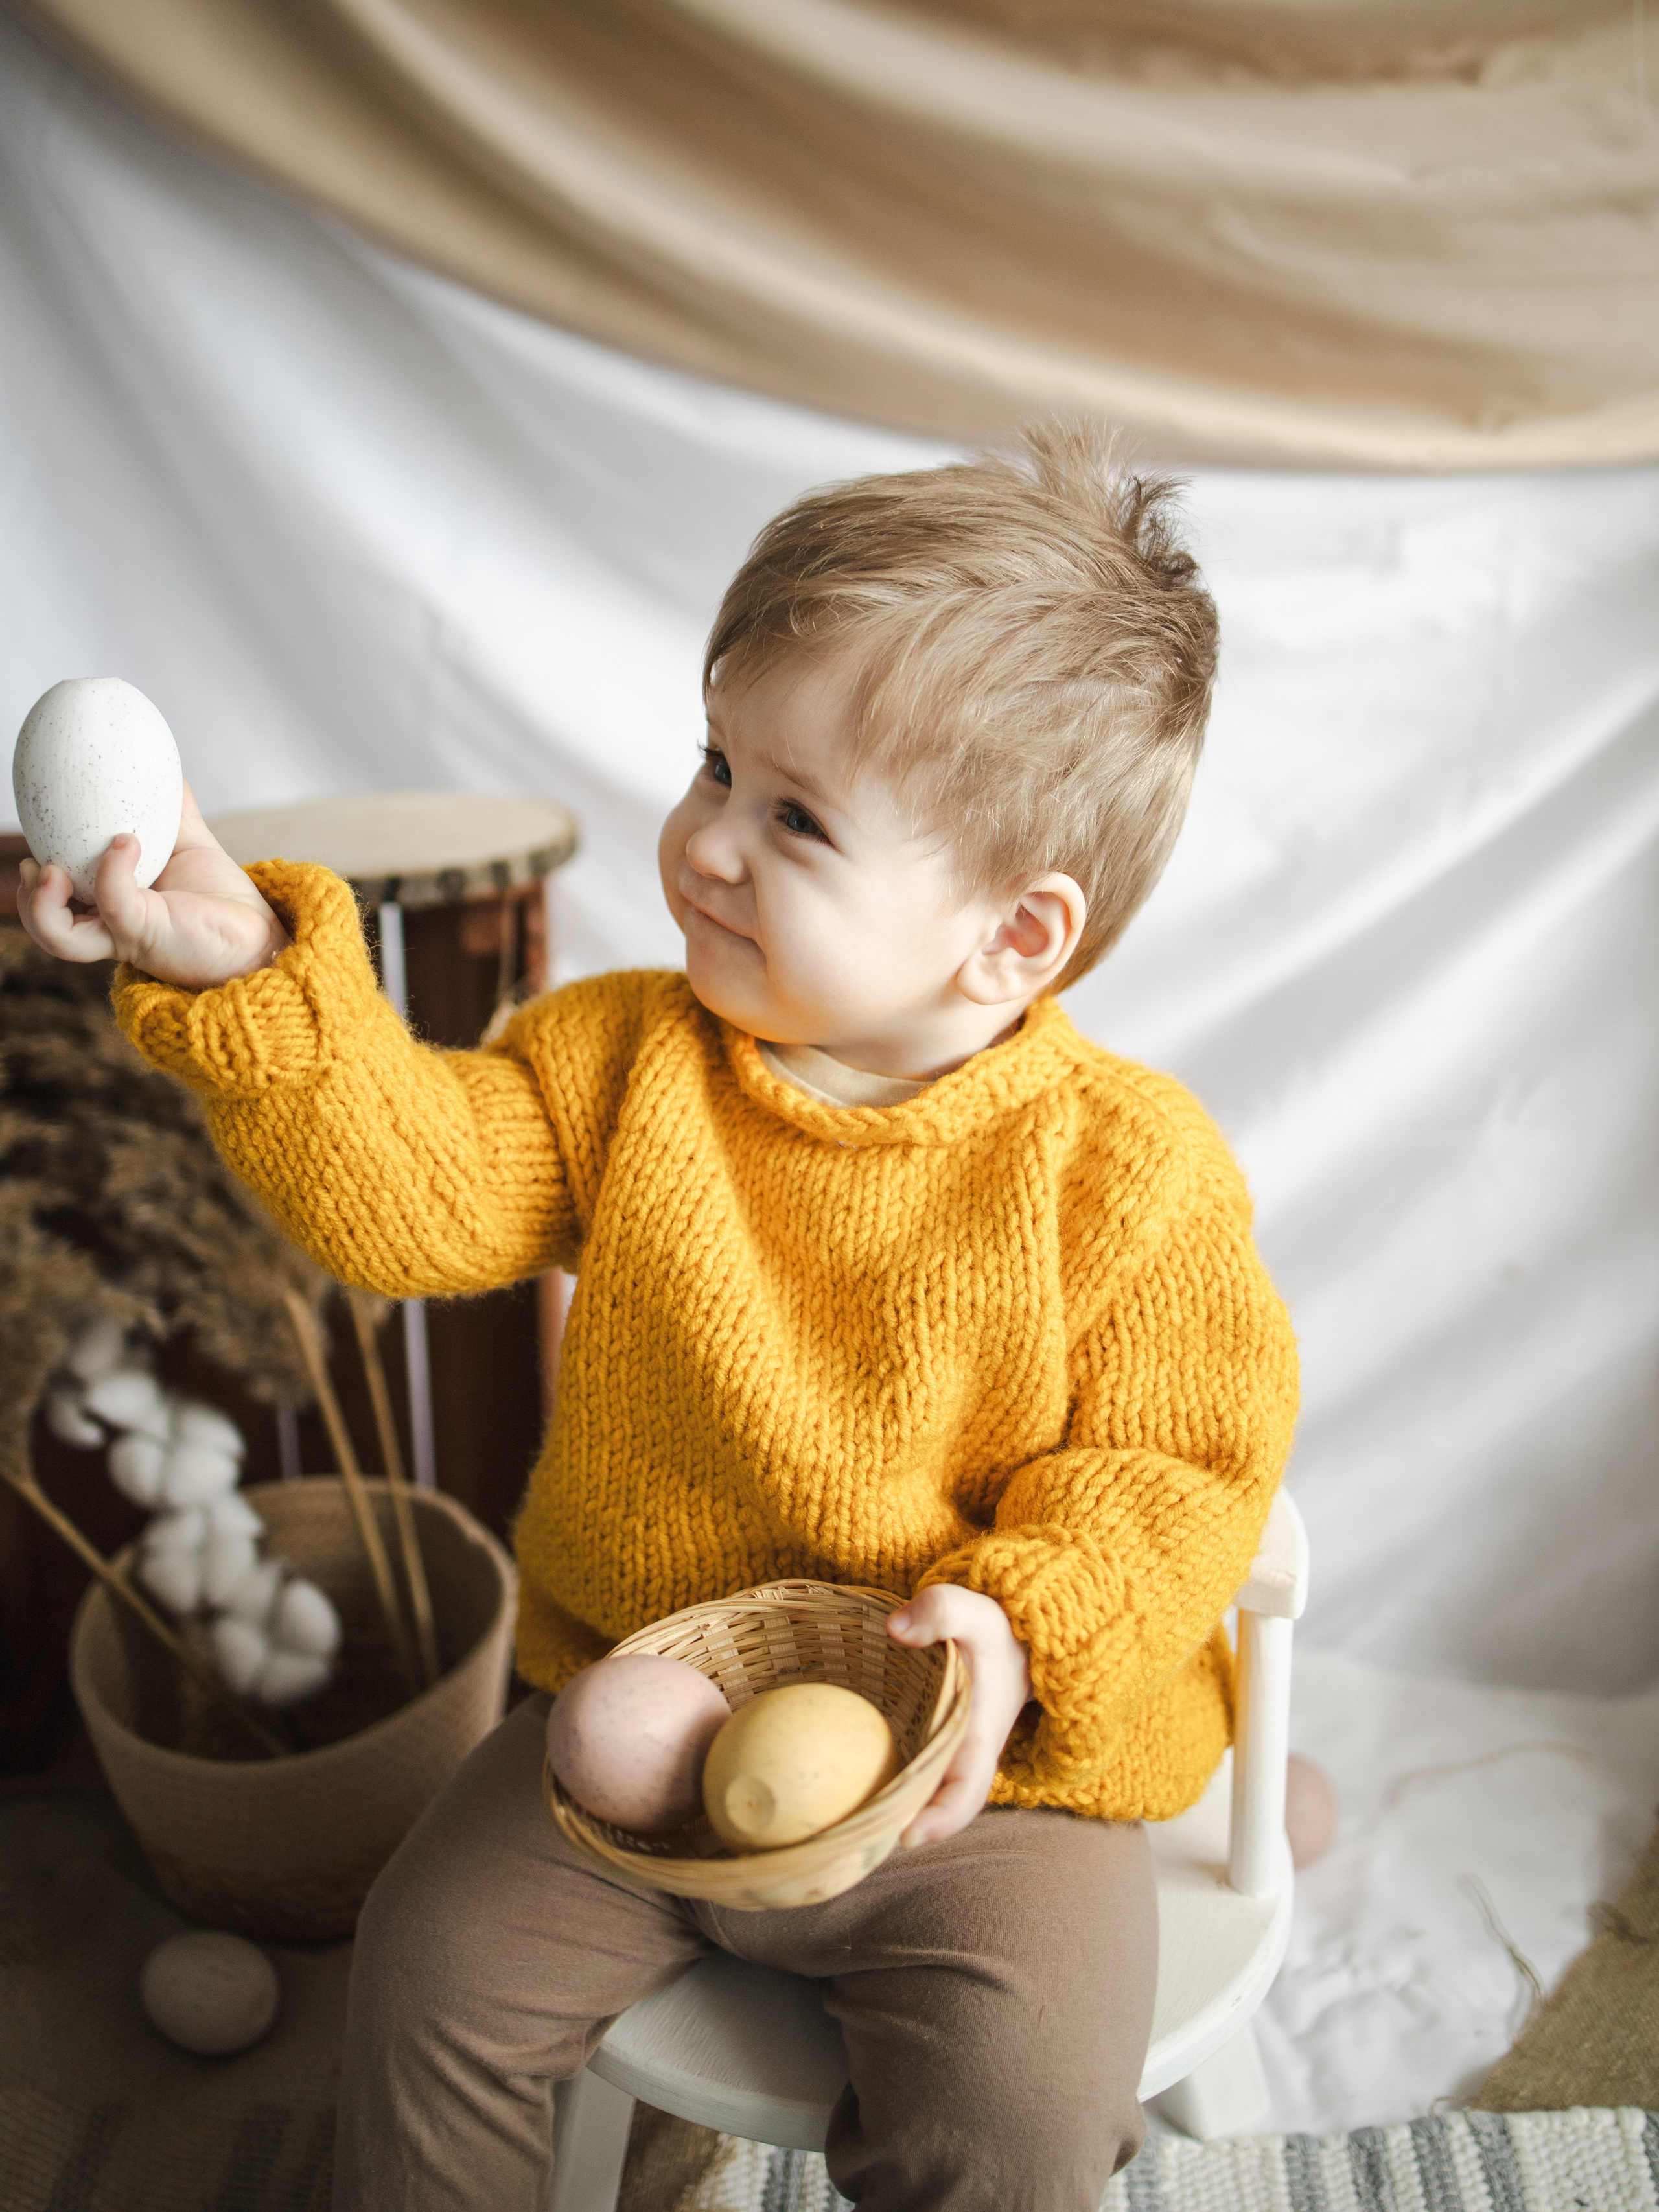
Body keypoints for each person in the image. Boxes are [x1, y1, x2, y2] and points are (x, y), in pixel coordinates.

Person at [19, 421, 1298, 2212]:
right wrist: (250, 982)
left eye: (796, 818)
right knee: (428, 1974)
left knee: (1010, 2113)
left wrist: (1020, 1631)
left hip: (975, 1791)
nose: (704, 842)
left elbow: (1184, 1465)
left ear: (1012, 940)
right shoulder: (626, 1061)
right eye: (717, 766)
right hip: (628, 1722)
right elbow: (417, 1196)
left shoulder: (1129, 1174)